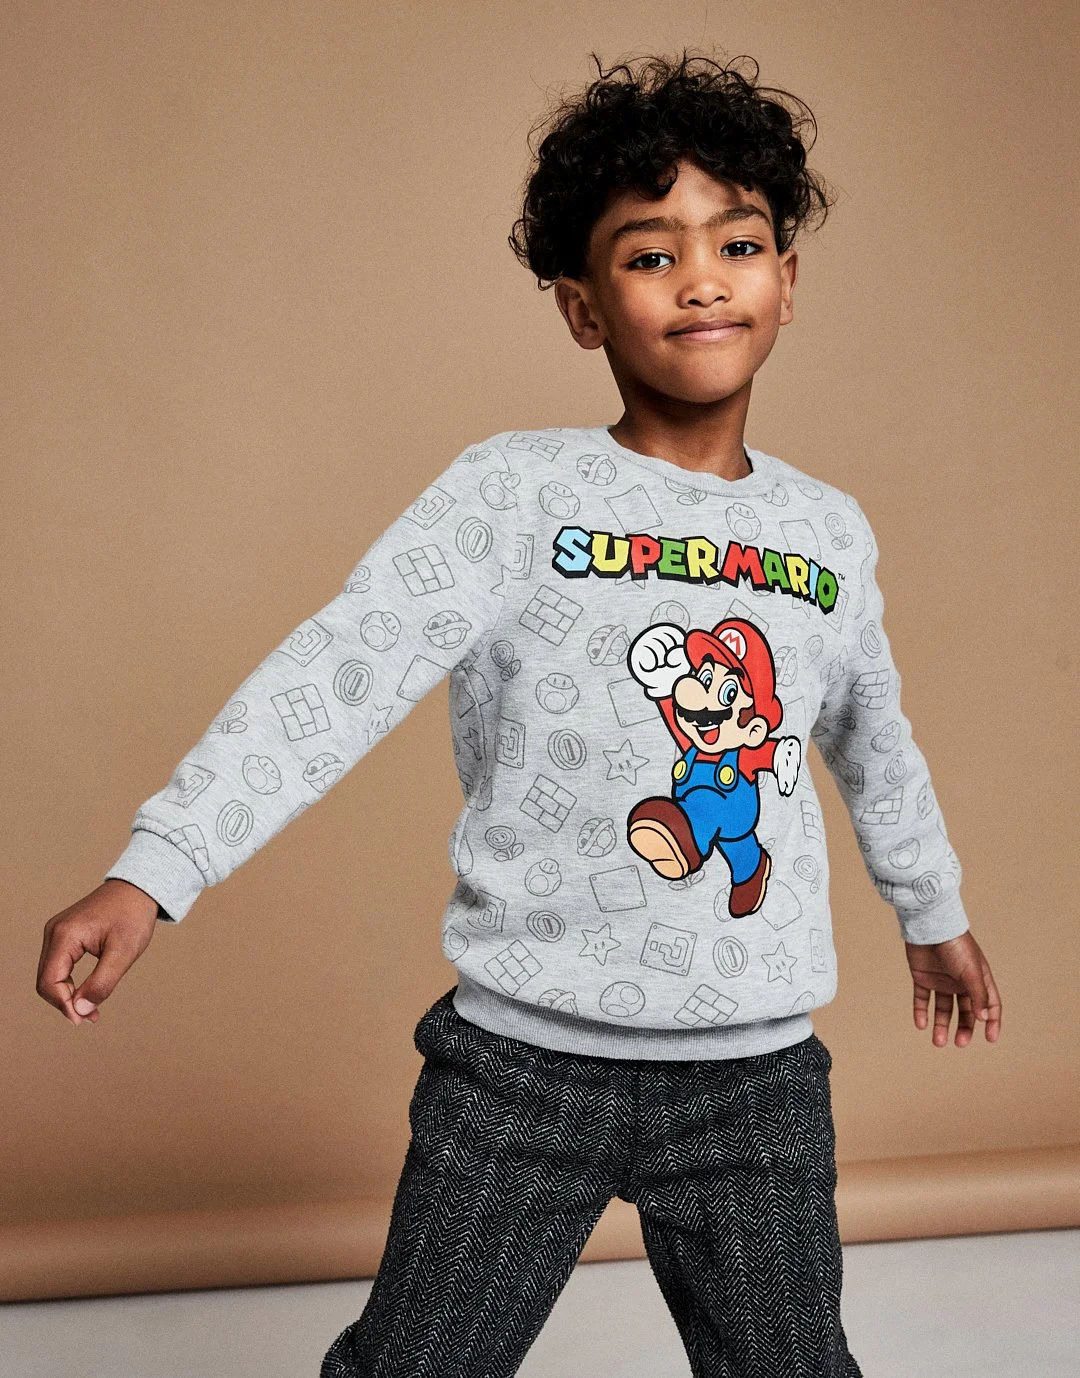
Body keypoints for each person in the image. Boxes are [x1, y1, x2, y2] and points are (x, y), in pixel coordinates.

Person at [37, 48, 1002, 1378]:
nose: (704, 276)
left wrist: (933, 909)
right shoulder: (512, 498)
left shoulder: (821, 531)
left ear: (788, 280)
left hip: (756, 1077)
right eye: (650, 255)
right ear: (581, 307)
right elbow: (338, 673)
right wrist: (157, 866)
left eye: (738, 241)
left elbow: (874, 741)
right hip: (523, 1068)